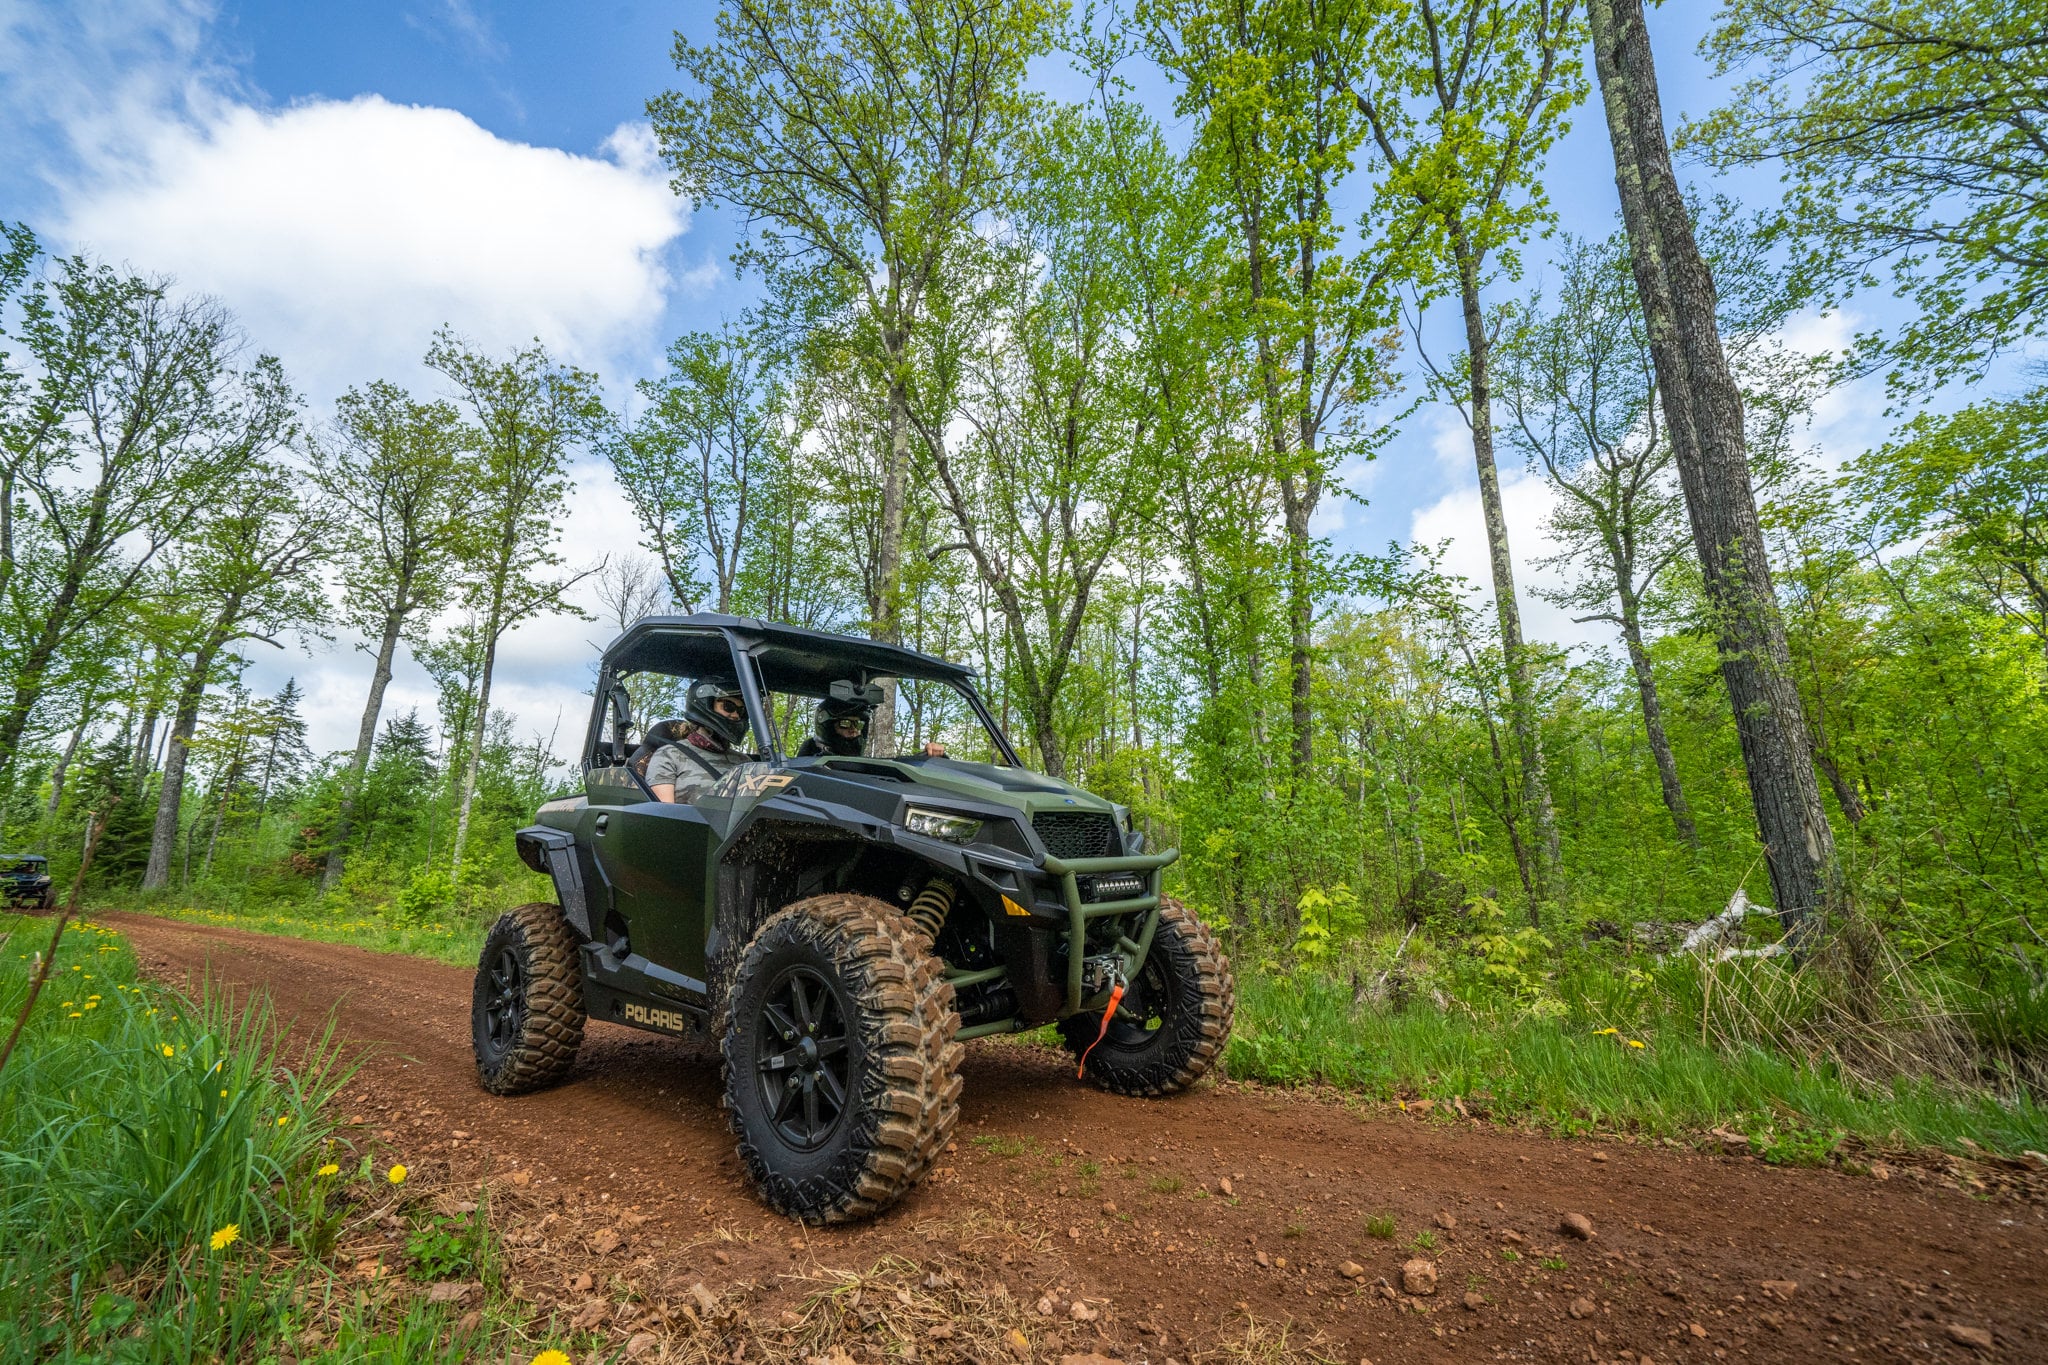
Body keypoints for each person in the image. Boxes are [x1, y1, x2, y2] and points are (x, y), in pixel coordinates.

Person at [646, 674, 750, 803]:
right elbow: (664, 814)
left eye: (740, 711)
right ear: (706, 705)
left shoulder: (745, 762)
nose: (735, 715)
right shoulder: (669, 755)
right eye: (729, 706)